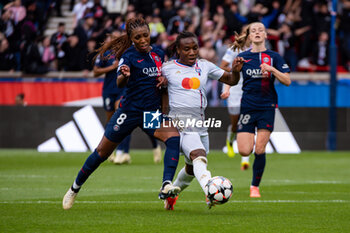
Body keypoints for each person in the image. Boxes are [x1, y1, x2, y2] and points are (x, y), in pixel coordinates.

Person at [63, 17, 181, 210]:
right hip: (128, 112)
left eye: (145, 35)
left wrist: (164, 83)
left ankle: (166, 185)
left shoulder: (159, 54)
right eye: (138, 37)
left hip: (150, 114)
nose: (143, 40)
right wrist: (124, 76)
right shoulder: (128, 56)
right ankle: (74, 188)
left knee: (173, 138)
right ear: (131, 38)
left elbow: (164, 82)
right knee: (102, 152)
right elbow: (119, 82)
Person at [161, 31, 241, 210]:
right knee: (199, 155)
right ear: (178, 50)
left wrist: (235, 71)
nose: (191, 52)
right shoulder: (166, 68)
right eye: (186, 49)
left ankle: (172, 195)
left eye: (195, 48)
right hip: (179, 121)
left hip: (200, 123)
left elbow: (231, 80)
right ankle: (210, 189)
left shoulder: (205, 66)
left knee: (191, 168)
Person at [233, 22, 291, 198]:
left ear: (266, 35)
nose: (257, 33)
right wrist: (235, 71)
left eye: (260, 30)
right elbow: (234, 79)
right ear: (249, 36)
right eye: (253, 31)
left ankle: (254, 187)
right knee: (244, 150)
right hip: (248, 107)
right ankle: (250, 169)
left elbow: (287, 81)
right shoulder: (242, 57)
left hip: (267, 107)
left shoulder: (274, 57)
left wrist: (272, 69)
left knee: (260, 149)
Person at [93, 33, 161, 164]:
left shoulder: (128, 54)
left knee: (125, 118)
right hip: (109, 90)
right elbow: (95, 72)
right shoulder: (106, 55)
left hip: (124, 90)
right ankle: (112, 150)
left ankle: (124, 152)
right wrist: (112, 67)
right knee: (111, 120)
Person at [220, 27, 251, 170]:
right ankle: (230, 139)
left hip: (248, 88)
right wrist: (236, 70)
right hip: (233, 87)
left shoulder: (256, 52)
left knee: (247, 122)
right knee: (235, 123)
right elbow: (222, 66)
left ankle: (245, 158)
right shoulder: (234, 49)